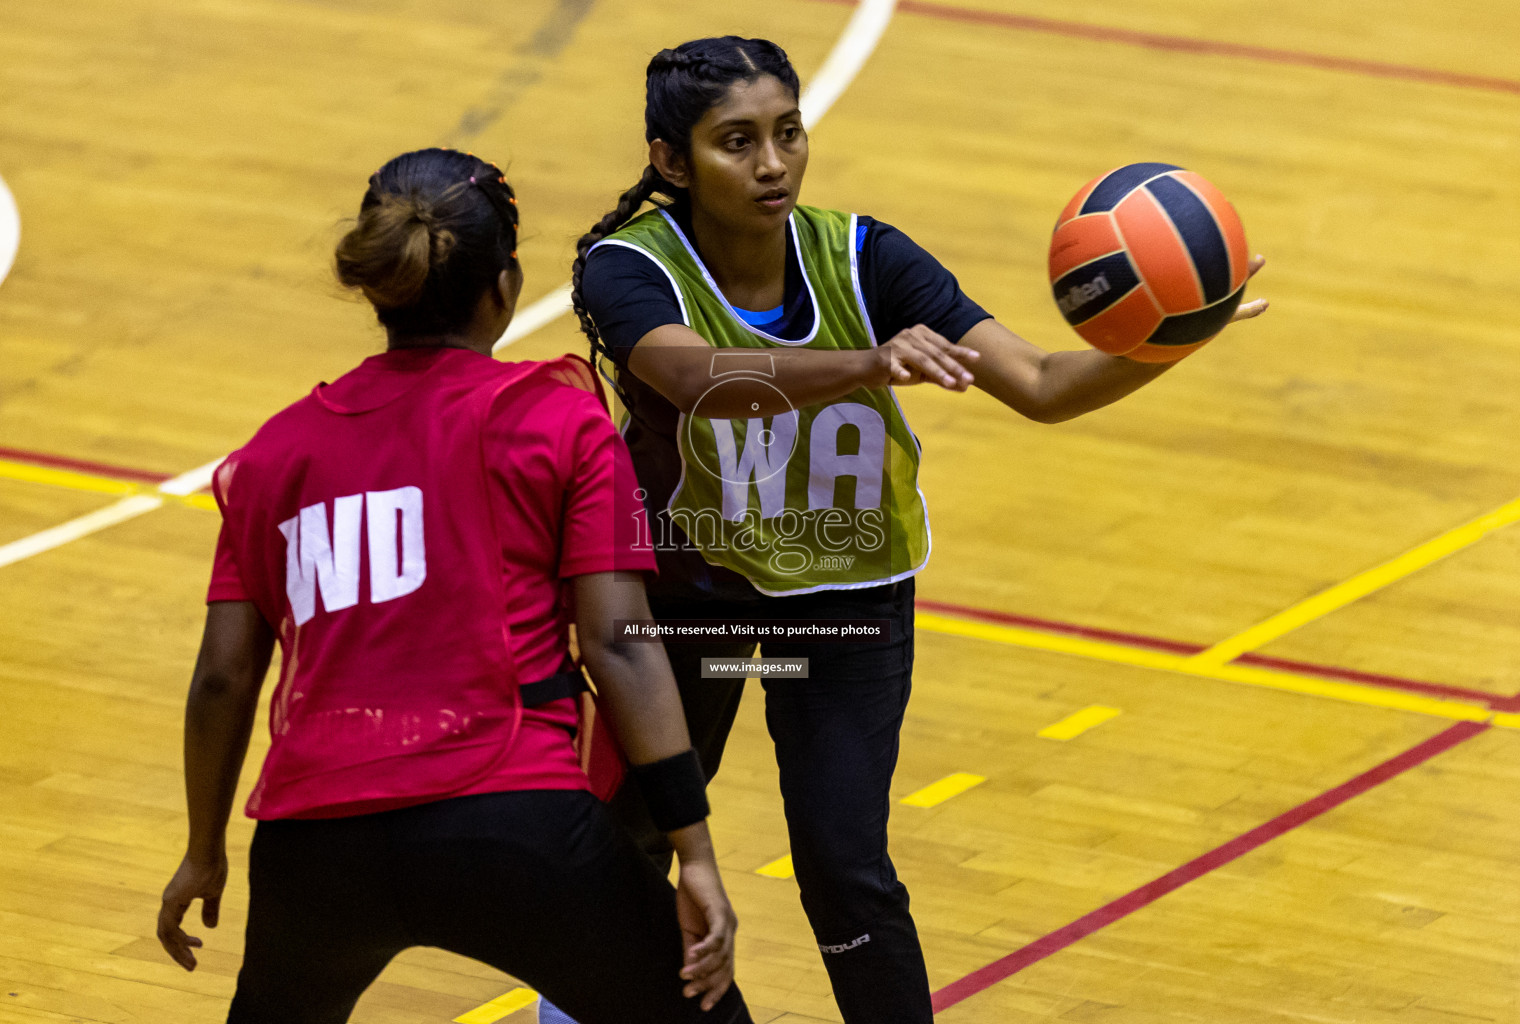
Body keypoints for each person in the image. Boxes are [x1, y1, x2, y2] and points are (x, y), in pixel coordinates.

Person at [566, 37, 1268, 1024]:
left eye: (787, 133)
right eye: (737, 142)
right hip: (693, 600)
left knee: (845, 864)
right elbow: (696, 380)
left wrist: (1172, 335)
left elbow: (1038, 384)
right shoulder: (626, 267)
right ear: (672, 161)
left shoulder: (867, 257)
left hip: (845, 604)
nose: (772, 164)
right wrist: (867, 364)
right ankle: (585, 1004)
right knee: (630, 832)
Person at [155, 147, 755, 1024]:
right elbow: (619, 645)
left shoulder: (271, 454)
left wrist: (204, 850)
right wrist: (690, 849)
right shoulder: (556, 416)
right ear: (504, 288)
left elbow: (221, 676)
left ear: (377, 285)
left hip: (316, 839)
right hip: (512, 821)